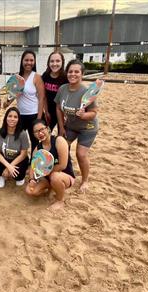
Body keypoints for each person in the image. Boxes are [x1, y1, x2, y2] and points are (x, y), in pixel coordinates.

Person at [54, 59, 99, 193]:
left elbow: (94, 113)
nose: (73, 74)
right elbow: (58, 108)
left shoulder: (87, 92)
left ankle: (84, 181)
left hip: (88, 128)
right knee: (61, 147)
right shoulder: (63, 89)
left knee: (80, 154)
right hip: (71, 126)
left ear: (82, 74)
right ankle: (66, 173)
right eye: (70, 71)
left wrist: (84, 115)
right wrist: (61, 127)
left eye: (76, 72)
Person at [25, 119, 75, 210]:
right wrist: (31, 179)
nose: (40, 133)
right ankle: (51, 187)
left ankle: (60, 200)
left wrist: (45, 172)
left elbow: (63, 165)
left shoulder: (59, 141)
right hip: (47, 177)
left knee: (55, 177)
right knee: (30, 191)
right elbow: (33, 167)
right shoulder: (37, 149)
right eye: (36, 132)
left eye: (41, 129)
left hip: (64, 175)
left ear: (48, 129)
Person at [13, 50, 45, 151]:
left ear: (34, 62)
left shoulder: (37, 77)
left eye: (31, 60)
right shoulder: (16, 77)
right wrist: (7, 101)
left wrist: (39, 119)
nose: (29, 62)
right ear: (22, 61)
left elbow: (41, 98)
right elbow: (11, 95)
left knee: (34, 142)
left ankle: (33, 163)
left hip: (33, 114)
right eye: (26, 60)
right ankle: (19, 162)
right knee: (17, 140)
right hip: (20, 115)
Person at [0, 107, 29, 188]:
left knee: (18, 176)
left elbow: (23, 154)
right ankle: (1, 176)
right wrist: (8, 166)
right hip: (4, 158)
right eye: (10, 116)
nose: (12, 119)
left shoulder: (23, 134)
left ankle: (19, 177)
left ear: (18, 120)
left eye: (15, 117)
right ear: (5, 118)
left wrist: (9, 168)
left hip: (18, 159)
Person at [42, 51, 68, 131]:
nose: (54, 64)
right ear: (48, 63)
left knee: (62, 136)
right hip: (49, 112)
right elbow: (44, 96)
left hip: (62, 112)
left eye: (57, 61)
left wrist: (66, 115)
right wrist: (46, 111)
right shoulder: (45, 75)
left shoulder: (65, 77)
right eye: (52, 61)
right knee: (46, 133)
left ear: (62, 62)